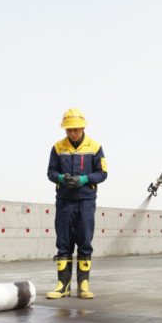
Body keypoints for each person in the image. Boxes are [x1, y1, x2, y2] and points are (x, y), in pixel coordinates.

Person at [46, 108, 108, 299]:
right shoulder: (58, 148)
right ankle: (63, 286)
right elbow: (51, 172)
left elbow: (102, 173)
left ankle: (83, 286)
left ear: (82, 127)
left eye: (76, 130)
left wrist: (84, 180)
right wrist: (62, 179)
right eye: (69, 130)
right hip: (64, 201)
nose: (73, 133)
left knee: (84, 242)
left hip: (86, 201)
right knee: (63, 243)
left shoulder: (95, 147)